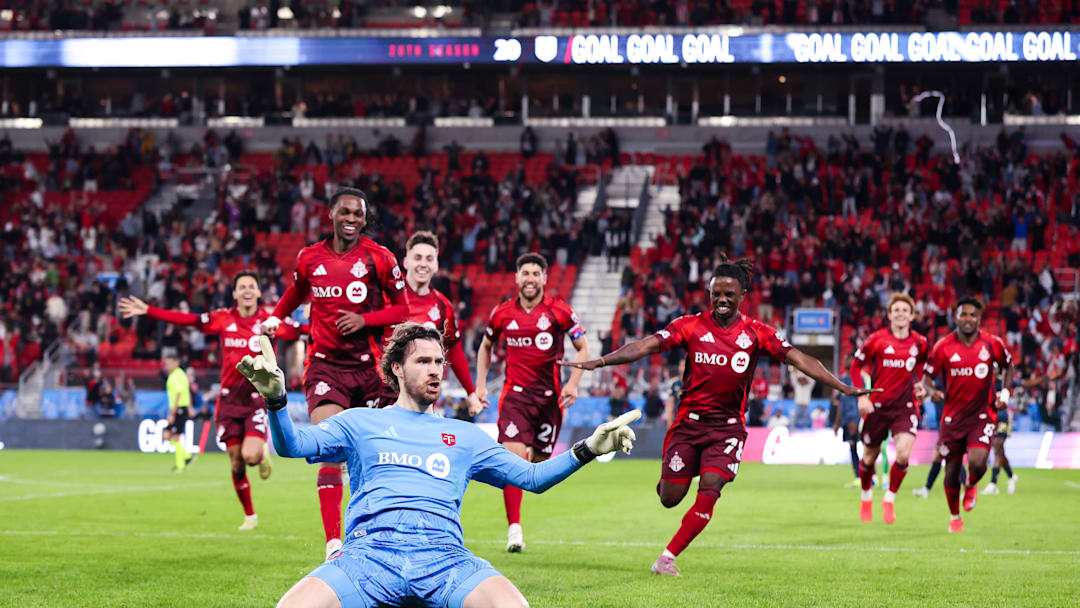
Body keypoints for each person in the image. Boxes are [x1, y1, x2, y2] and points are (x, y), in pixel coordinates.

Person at [236, 325, 639, 608]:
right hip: (368, 558)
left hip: (445, 560)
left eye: (439, 361)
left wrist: (588, 448)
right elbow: (291, 446)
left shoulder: (464, 436)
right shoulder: (359, 421)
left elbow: (531, 478)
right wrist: (275, 400)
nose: (435, 370)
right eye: (423, 361)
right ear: (396, 368)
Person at [559, 253, 877, 576]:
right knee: (669, 498)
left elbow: (801, 360)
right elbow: (644, 346)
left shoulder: (757, 333)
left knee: (710, 491)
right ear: (709, 294)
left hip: (727, 430)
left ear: (742, 296)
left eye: (729, 294)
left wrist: (843, 387)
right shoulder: (690, 326)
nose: (722, 300)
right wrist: (599, 362)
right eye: (716, 294)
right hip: (688, 425)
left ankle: (667, 557)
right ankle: (689, 467)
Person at [263, 187, 410, 558]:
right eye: (344, 212)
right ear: (331, 215)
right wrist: (276, 318)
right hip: (325, 365)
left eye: (357, 214)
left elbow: (401, 309)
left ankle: (376, 529)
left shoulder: (380, 257)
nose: (350, 220)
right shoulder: (310, 258)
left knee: (371, 456)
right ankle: (333, 543)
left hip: (370, 369)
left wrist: (365, 319)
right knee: (331, 447)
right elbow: (296, 292)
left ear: (364, 219)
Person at [119, 271, 306, 531]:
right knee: (236, 462)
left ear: (259, 292)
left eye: (252, 286)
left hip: (255, 398)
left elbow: (301, 330)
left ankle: (261, 454)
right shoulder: (223, 318)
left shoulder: (269, 320)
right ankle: (250, 515)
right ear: (235, 293)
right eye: (242, 287)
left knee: (249, 456)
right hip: (228, 401)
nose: (247, 290)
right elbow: (188, 320)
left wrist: (325, 321)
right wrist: (148, 310)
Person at [475, 252, 589, 553]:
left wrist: (573, 384)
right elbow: (485, 346)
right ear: (517, 278)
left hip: (550, 401)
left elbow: (583, 348)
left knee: (537, 467)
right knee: (514, 462)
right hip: (515, 396)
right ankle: (514, 530)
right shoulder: (502, 313)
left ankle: (517, 500)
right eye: (525, 273)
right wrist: (480, 385)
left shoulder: (559, 311)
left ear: (544, 279)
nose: (530, 279)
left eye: (535, 273)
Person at [920, 297, 1014, 533]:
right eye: (964, 315)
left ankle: (971, 484)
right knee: (951, 471)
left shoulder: (992, 344)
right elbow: (927, 378)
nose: (968, 319)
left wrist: (1005, 393)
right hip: (952, 418)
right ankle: (954, 516)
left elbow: (1008, 366)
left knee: (978, 462)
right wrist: (931, 392)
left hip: (983, 415)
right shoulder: (943, 346)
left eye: (973, 315)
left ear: (979, 318)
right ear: (956, 317)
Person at [378, 231, 484, 415]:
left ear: (436, 265)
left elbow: (455, 351)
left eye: (429, 259)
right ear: (406, 262)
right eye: (417, 257)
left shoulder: (442, 306)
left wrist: (471, 393)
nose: (423, 264)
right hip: (379, 390)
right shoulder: (384, 296)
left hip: (421, 398)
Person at [849, 293, 929, 525]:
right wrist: (862, 395)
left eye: (905, 310)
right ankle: (866, 496)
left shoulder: (920, 343)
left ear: (912, 315)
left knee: (903, 453)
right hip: (877, 407)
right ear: (890, 315)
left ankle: (890, 497)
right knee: (868, 457)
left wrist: (920, 384)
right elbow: (856, 365)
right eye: (896, 310)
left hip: (905, 407)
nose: (901, 313)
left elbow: (922, 365)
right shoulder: (877, 340)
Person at [832, 358, 861, 486]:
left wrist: (860, 419)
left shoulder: (860, 380)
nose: (846, 361)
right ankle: (860, 477)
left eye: (849, 359)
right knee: (853, 447)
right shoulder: (842, 380)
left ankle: (871, 477)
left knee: (868, 448)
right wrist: (837, 423)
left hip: (858, 419)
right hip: (847, 420)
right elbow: (840, 404)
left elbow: (864, 399)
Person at [162, 352, 193, 473]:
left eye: (169, 363)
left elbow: (178, 394)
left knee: (174, 437)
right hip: (180, 408)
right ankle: (186, 457)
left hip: (179, 409)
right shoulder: (178, 374)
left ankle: (181, 464)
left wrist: (172, 413)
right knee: (167, 435)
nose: (166, 366)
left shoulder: (177, 375)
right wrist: (190, 407)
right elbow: (187, 391)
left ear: (176, 363)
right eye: (166, 364)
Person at [982, 395, 1018, 495]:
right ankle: (1011, 477)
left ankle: (993, 483)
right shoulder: (985, 381)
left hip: (1002, 418)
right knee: (1000, 451)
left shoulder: (1002, 382)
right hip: (990, 416)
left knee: (997, 449)